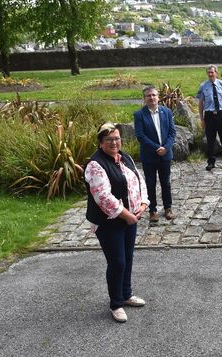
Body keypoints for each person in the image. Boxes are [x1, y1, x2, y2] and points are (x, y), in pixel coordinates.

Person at [84, 123, 149, 323]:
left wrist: (144, 203)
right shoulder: (95, 165)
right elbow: (103, 197)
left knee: (127, 258)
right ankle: (116, 304)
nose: (114, 142)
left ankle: (126, 294)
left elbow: (139, 180)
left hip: (130, 217)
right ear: (101, 142)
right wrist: (127, 215)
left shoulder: (125, 157)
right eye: (109, 139)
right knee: (117, 262)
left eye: (117, 138)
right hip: (108, 222)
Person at [134, 85, 176, 222]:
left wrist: (166, 147)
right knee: (150, 183)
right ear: (144, 99)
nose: (151, 98)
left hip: (165, 155)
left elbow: (172, 132)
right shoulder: (139, 115)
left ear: (158, 97)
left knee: (166, 182)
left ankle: (168, 208)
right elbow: (140, 136)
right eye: (148, 96)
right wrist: (157, 148)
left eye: (154, 95)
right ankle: (152, 210)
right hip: (149, 156)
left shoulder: (167, 112)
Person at [196, 65, 222, 170]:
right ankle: (211, 162)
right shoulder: (203, 86)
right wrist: (202, 119)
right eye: (208, 72)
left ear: (216, 73)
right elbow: (201, 103)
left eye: (212, 72)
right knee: (210, 139)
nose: (210, 74)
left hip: (221, 114)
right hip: (209, 115)